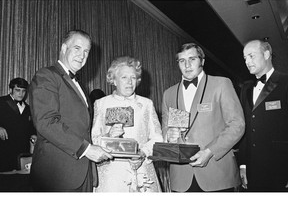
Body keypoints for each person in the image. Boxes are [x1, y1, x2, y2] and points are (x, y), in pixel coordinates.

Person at [29, 29, 113, 192]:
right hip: (56, 176)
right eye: (77, 48)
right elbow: (46, 123)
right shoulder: (47, 75)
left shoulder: (80, 85)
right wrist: (87, 149)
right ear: (63, 48)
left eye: (86, 51)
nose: (82, 55)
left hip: (83, 173)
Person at [162, 43, 245, 192]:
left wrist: (209, 151)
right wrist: (169, 135)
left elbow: (237, 125)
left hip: (217, 173)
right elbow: (164, 131)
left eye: (192, 59)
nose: (187, 65)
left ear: (202, 61)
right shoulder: (169, 93)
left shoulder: (221, 84)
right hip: (180, 179)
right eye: (182, 61)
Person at [91, 56, 163, 192]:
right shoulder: (101, 104)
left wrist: (142, 154)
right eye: (124, 77)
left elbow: (157, 138)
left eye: (133, 77)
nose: (129, 82)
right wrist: (108, 135)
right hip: (111, 174)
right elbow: (94, 138)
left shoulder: (146, 104)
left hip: (141, 169)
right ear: (113, 80)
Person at [238, 39, 288, 192]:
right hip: (253, 170)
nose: (247, 61)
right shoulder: (246, 88)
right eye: (245, 58)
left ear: (266, 54)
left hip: (281, 169)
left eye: (251, 56)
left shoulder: (286, 82)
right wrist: (243, 165)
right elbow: (244, 129)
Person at [0, 78, 36, 172]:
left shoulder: (28, 108)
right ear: (10, 90)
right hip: (3, 152)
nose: (21, 94)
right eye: (18, 90)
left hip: (22, 154)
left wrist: (33, 135)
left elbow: (31, 128)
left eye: (24, 91)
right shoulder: (1, 102)